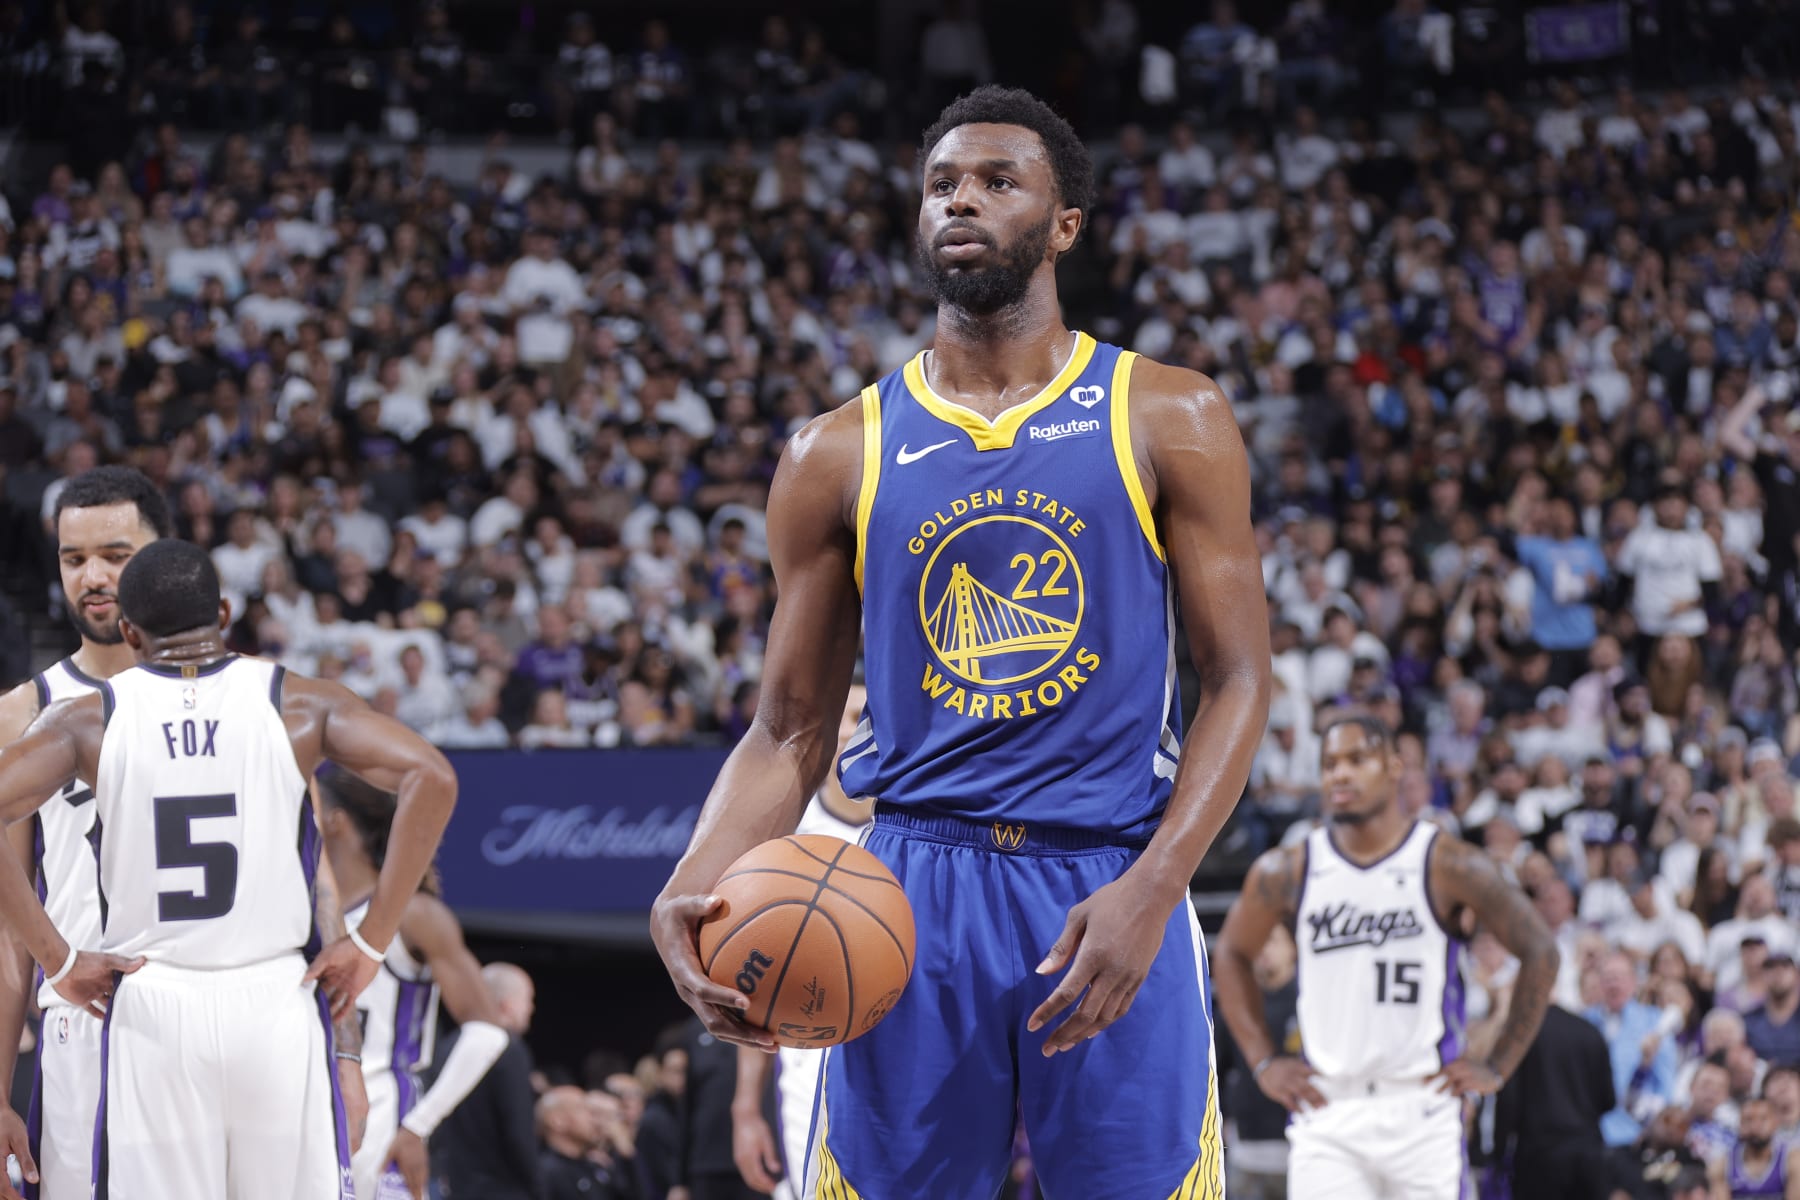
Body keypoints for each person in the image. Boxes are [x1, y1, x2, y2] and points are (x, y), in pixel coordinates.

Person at [652, 85, 1271, 1199]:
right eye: (942, 183)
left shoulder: (1168, 413)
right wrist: (691, 881)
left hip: (1109, 874)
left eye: (996, 182)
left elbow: (1236, 678)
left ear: (1064, 223)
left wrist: (1160, 883)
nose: (962, 201)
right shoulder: (836, 450)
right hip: (909, 888)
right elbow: (789, 727)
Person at [0, 540, 457, 1200]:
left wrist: (60, 959)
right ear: (224, 612)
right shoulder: (296, 702)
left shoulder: (88, 717)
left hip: (155, 1007)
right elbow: (433, 777)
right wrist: (370, 940)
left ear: (129, 633)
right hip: (274, 998)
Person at [1213, 716, 1559, 1198]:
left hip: (1421, 1105)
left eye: (1358, 759)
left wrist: (1498, 1065)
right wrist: (1263, 1061)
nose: (1340, 774)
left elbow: (1541, 949)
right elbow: (1229, 952)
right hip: (1327, 1109)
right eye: (1330, 763)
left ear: (1395, 767)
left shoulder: (1446, 862)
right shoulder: (1290, 869)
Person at [0, 467, 170, 1200]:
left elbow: (308, 879)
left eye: (117, 555)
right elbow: (7, 930)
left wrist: (343, 1057)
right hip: (87, 1022)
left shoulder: (244, 693)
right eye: (75, 560)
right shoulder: (22, 712)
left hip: (222, 1012)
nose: (94, 577)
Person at [316, 765, 510, 1200]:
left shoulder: (415, 915)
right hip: (312, 1109)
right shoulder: (306, 913)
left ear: (335, 819)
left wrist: (417, 1126)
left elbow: (488, 1032)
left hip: (385, 1112)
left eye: (311, 805)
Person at [729, 685, 872, 1198]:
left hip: (900, 1039)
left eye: (872, 713)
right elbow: (748, 984)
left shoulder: (916, 833)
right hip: (809, 1051)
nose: (863, 723)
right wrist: (746, 1106)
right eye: (852, 711)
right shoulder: (786, 837)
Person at [432, 963, 540, 1200]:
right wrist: (536, 1187)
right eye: (528, 999)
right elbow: (518, 1131)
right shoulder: (508, 1048)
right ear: (508, 1004)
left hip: (450, 1187)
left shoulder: (447, 1045)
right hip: (501, 1190)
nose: (530, 1008)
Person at [1493, 1004, 1616, 1200]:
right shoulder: (1589, 1031)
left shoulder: (1523, 1036)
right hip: (1587, 1151)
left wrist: (1498, 1151)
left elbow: (1509, 1101)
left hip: (1538, 1156)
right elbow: (1608, 1100)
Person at [1711, 1094, 1798, 1199]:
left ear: (1775, 1122)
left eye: (1763, 1119)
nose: (1755, 1126)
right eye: (1748, 1120)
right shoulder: (1723, 1164)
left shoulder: (1792, 1161)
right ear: (1740, 1125)